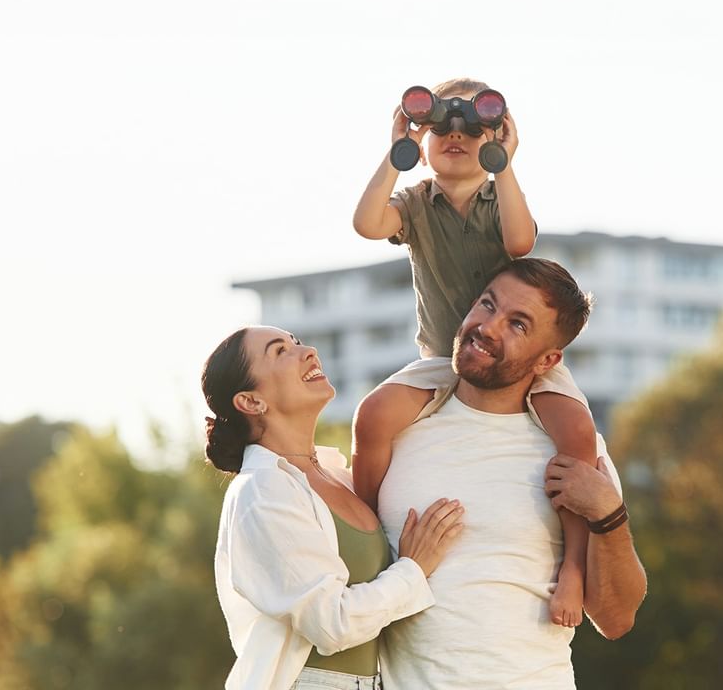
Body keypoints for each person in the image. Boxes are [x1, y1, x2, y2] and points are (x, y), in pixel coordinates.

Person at [351, 77, 599, 627]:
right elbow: (367, 224)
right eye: (442, 126)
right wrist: (399, 151)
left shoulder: (498, 198)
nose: (455, 135)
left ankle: (576, 567)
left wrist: (504, 165)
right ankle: (366, 543)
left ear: (494, 135)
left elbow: (519, 243)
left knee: (579, 436)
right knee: (373, 416)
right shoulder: (413, 203)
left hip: (513, 358)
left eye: (471, 126)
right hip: (445, 356)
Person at [375, 258, 647, 688]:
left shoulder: (569, 450)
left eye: (518, 325)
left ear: (548, 360)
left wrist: (608, 514)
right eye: (487, 305)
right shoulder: (398, 429)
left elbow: (616, 619)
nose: (489, 327)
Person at [202, 326, 466, 690]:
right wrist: (414, 569)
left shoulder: (339, 475)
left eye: (296, 342)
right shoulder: (262, 490)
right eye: (280, 351)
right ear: (251, 402)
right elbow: (331, 623)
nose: (307, 350)